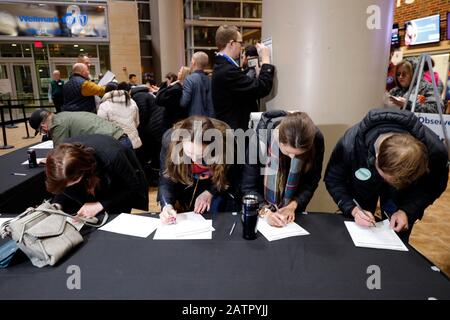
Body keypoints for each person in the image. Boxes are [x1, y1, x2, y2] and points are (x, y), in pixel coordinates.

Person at [324, 108, 448, 242]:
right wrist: (352, 209)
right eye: (387, 178)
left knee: (397, 238)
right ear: (376, 158)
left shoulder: (435, 152)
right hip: (360, 196)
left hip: (402, 202)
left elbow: (432, 187)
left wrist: (407, 211)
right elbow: (333, 179)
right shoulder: (350, 144)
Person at [241, 111, 324, 227]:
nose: (293, 158)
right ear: (280, 140)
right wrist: (266, 213)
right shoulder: (260, 139)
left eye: (300, 155)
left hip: (292, 213)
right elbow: (248, 187)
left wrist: (293, 205)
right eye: (288, 152)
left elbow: (311, 181)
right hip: (261, 208)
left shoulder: (316, 139)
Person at [46, 134, 149, 217]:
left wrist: (100, 205)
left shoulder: (113, 156)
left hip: (120, 188)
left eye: (71, 183)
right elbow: (63, 186)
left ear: (81, 172)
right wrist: (57, 204)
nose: (68, 187)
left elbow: (134, 189)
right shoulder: (60, 163)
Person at [158, 116, 237, 224]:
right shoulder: (170, 141)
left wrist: (210, 192)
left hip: (215, 181)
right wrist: (167, 205)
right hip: (185, 181)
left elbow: (231, 173)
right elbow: (166, 180)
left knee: (217, 219)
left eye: (200, 155)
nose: (194, 159)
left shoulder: (226, 141)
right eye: (190, 153)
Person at [212, 25, 275, 130]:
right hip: (236, 134)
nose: (242, 47)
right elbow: (262, 88)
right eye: (240, 43)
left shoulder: (222, 67)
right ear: (232, 43)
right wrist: (265, 59)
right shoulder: (227, 71)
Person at [28, 108, 132, 148]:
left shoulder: (57, 124)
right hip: (122, 138)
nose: (44, 133)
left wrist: (47, 159)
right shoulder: (63, 115)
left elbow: (60, 154)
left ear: (43, 126)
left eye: (41, 131)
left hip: (113, 145)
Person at [98, 82, 142, 150]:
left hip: (115, 142)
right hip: (132, 140)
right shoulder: (131, 101)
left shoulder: (104, 105)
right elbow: (137, 122)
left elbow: (101, 127)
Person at [180, 51, 214, 117]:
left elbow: (183, 103)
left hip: (194, 119)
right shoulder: (210, 80)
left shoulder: (189, 79)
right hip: (209, 119)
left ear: (193, 63)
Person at [155, 66, 190, 131]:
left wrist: (169, 86)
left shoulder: (176, 89)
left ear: (183, 74)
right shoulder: (184, 87)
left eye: (180, 71)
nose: (178, 73)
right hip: (176, 120)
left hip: (171, 121)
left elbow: (158, 100)